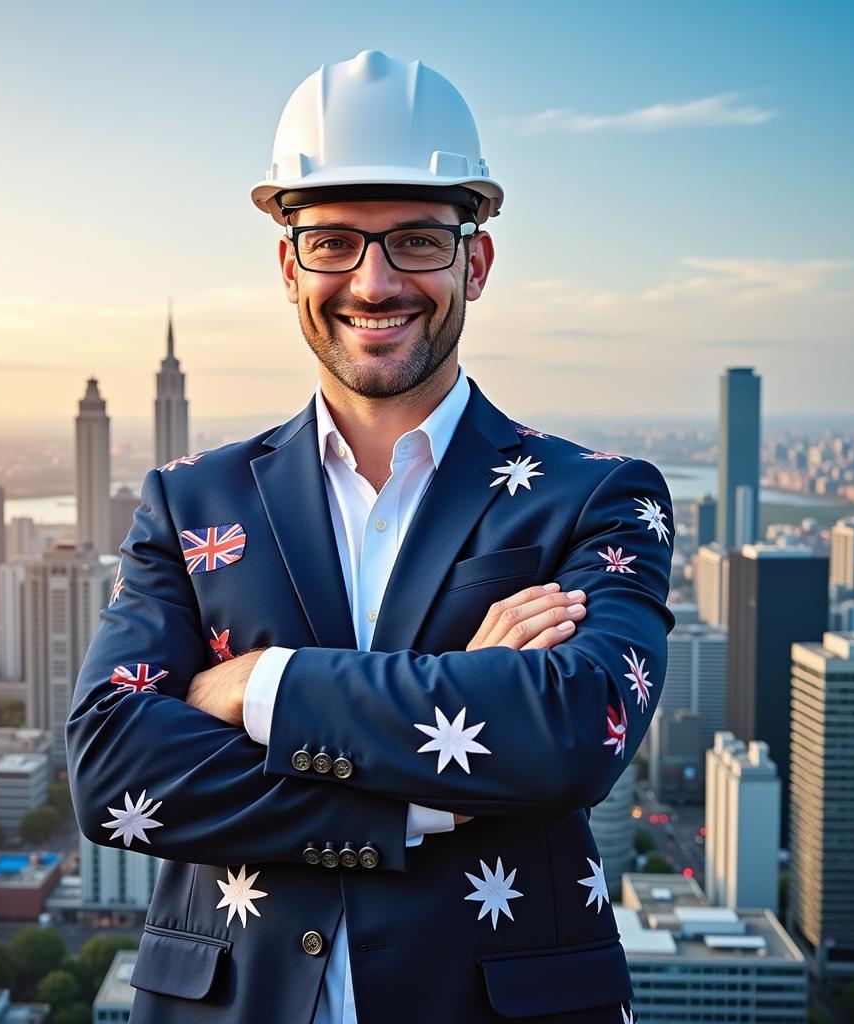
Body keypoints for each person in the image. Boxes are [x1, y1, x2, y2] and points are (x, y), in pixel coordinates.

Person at [67, 49, 674, 1024]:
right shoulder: (189, 502)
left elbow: (571, 731)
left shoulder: (592, 496)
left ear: (474, 259)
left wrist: (262, 684)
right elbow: (112, 766)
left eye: (418, 242)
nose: (376, 281)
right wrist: (434, 781)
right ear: (287, 263)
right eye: (335, 241)